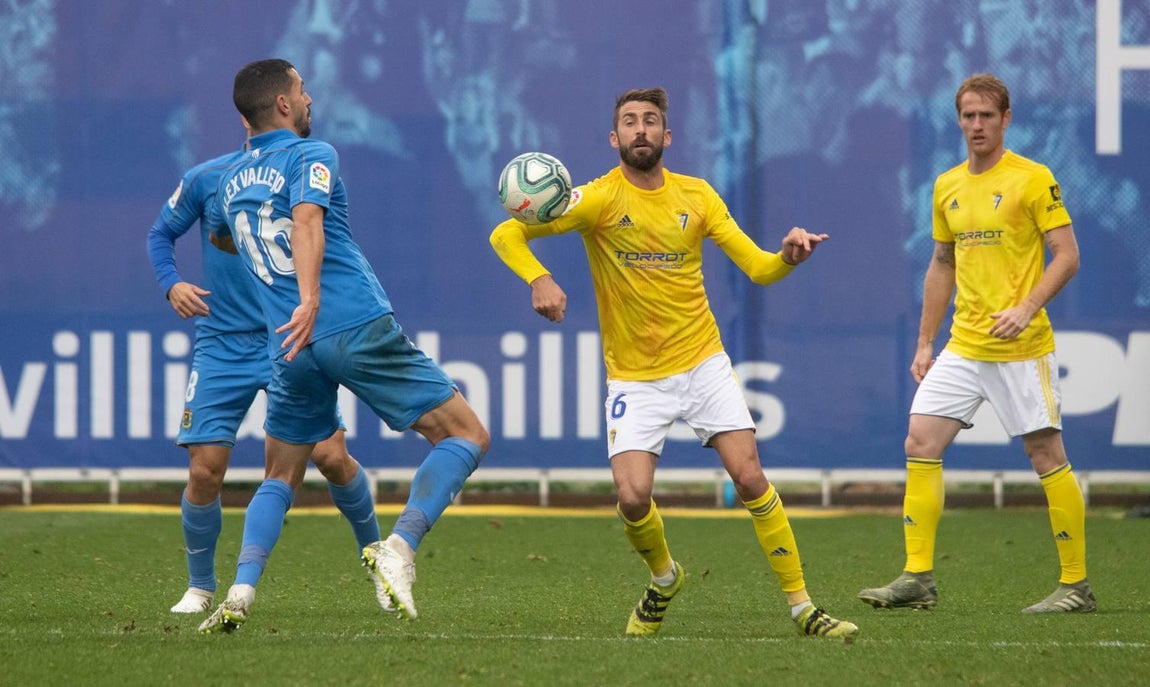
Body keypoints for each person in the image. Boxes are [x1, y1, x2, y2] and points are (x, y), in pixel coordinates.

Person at [490, 87, 858, 640]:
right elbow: (505, 231)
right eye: (630, 123)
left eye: (651, 121)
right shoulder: (595, 200)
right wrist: (538, 277)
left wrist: (786, 256)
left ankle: (804, 608)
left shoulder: (698, 196)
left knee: (751, 476)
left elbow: (758, 268)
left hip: (702, 359)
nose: (641, 130)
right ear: (614, 139)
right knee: (633, 498)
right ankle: (664, 580)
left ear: (668, 135)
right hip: (635, 376)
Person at [197, 59, 489, 634]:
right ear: (283, 104)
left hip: (288, 347)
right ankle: (398, 547)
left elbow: (222, 236)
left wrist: (279, 292)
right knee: (465, 434)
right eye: (302, 90)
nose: (309, 98)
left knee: (280, 475)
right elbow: (307, 222)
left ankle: (240, 591)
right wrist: (308, 297)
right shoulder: (313, 154)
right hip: (346, 323)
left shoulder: (229, 179)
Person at [857, 73, 1092, 614]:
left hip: (1021, 347)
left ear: (1006, 120)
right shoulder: (947, 186)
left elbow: (1068, 254)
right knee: (919, 440)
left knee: (1045, 454)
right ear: (958, 120)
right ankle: (917, 578)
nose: (977, 125)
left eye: (987, 115)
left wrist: (1027, 307)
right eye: (969, 115)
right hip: (963, 346)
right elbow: (941, 264)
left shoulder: (1034, 179)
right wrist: (924, 343)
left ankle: (1076, 586)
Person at [147, 136, 384, 616]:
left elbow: (314, 230)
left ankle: (382, 564)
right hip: (223, 344)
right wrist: (171, 283)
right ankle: (199, 587)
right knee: (204, 469)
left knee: (333, 458)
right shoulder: (208, 177)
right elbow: (159, 234)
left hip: (285, 334)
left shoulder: (298, 172)